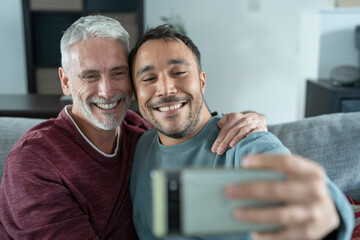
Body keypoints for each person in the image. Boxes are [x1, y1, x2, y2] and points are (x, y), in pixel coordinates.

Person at [0, 16, 267, 239]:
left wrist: (253, 120)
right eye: (90, 76)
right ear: (66, 81)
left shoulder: (139, 134)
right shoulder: (33, 164)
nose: (106, 92)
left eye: (118, 73)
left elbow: (188, 119)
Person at [129, 25, 354, 240]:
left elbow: (302, 194)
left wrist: (328, 215)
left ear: (202, 81)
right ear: (135, 95)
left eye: (178, 72)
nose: (166, 89)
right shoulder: (138, 145)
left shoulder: (244, 141)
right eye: (148, 78)